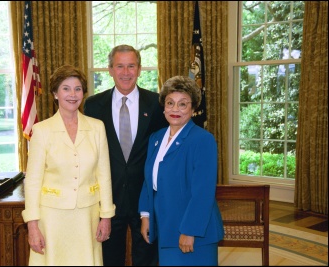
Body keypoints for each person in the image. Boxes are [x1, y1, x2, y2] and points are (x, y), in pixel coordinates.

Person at [22, 65, 116, 266]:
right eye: (66, 88)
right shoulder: (41, 130)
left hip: (87, 217)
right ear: (55, 93)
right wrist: (32, 226)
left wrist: (106, 216)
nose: (72, 94)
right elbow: (32, 182)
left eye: (78, 89)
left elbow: (104, 175)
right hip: (51, 218)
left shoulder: (97, 127)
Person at [84, 44, 168, 266]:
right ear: (110, 69)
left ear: (139, 69)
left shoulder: (157, 104)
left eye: (131, 66)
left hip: (146, 198)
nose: (126, 72)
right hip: (107, 199)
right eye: (119, 66)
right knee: (110, 258)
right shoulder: (93, 106)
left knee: (147, 257)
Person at [138, 76, 224, 266]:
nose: (175, 109)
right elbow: (148, 179)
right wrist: (146, 216)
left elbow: (203, 191)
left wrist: (190, 230)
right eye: (170, 103)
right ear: (163, 107)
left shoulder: (203, 140)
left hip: (194, 232)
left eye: (182, 104)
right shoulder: (156, 138)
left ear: (193, 109)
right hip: (166, 226)